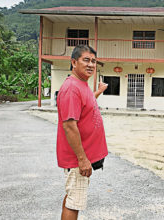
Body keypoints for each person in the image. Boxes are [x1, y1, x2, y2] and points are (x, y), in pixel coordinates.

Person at [56, 45, 109, 220]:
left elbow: (86, 103)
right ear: (73, 62)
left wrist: (99, 92)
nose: (91, 64)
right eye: (86, 60)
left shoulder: (82, 84)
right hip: (77, 159)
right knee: (75, 202)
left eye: (94, 61)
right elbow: (70, 126)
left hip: (82, 157)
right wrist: (82, 159)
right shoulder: (71, 88)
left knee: (72, 197)